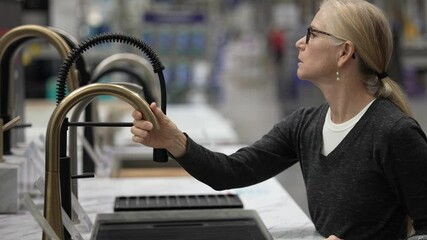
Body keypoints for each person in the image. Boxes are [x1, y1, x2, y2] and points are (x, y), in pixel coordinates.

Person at [130, 0, 427, 239]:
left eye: (312, 34)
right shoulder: (305, 126)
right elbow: (232, 171)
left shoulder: (394, 133)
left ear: (344, 52)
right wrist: (174, 140)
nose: (299, 42)